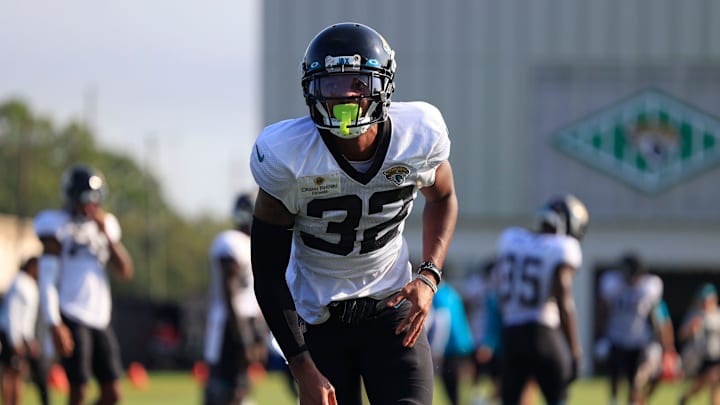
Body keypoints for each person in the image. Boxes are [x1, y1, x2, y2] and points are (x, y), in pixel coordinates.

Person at [249, 22, 458, 405]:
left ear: (383, 86)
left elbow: (443, 197)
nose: (345, 95)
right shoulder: (287, 156)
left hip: (391, 309)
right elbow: (266, 271)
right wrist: (302, 369)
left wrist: (429, 274)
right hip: (319, 320)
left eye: (358, 84)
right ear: (312, 90)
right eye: (331, 84)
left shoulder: (418, 136)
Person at [33, 164, 134, 405]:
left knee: (113, 392)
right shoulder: (56, 225)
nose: (91, 204)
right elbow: (47, 280)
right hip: (71, 312)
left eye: (95, 198)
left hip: (99, 316)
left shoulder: (106, 225)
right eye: (85, 198)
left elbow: (125, 271)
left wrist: (107, 236)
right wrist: (54, 323)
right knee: (79, 389)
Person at [494, 193, 588, 405]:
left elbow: (499, 290)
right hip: (542, 332)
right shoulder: (561, 248)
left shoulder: (511, 239)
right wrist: (574, 350)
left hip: (512, 333)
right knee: (558, 398)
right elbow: (563, 300)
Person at [203, 193, 269, 405]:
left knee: (240, 386)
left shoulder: (252, 244)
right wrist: (243, 335)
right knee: (223, 387)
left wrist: (259, 331)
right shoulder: (232, 242)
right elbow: (229, 291)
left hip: (243, 322)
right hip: (229, 325)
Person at [597, 252, 669, 405]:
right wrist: (601, 336)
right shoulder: (612, 284)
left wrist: (661, 342)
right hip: (616, 336)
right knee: (615, 376)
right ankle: (614, 401)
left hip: (638, 339)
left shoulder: (649, 287)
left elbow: (656, 315)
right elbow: (603, 311)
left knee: (635, 378)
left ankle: (633, 402)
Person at [0, 256, 46, 405]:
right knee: (11, 372)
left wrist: (29, 339)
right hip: (10, 333)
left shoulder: (30, 284)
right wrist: (15, 341)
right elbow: (13, 314)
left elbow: (27, 318)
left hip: (22, 336)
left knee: (20, 372)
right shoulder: (19, 283)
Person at [427, 282, 475, 405]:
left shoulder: (437, 294)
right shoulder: (452, 292)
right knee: (462, 385)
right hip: (464, 343)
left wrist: (437, 349)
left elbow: (442, 320)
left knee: (452, 388)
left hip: (450, 346)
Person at [677, 283, 720, 405]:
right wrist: (690, 329)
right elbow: (681, 335)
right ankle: (685, 397)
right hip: (701, 356)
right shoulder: (694, 314)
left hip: (716, 355)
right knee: (702, 383)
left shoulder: (718, 315)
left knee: (713, 381)